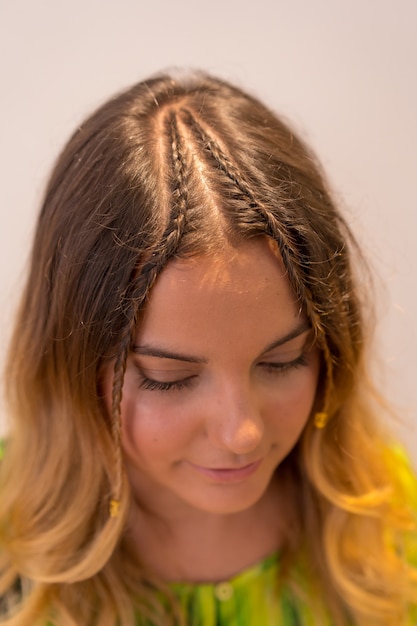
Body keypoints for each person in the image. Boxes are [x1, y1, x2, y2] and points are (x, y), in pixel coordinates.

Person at [0, 70, 416, 626]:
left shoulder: (387, 518)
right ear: (71, 363)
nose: (240, 431)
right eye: (168, 377)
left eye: (282, 361)